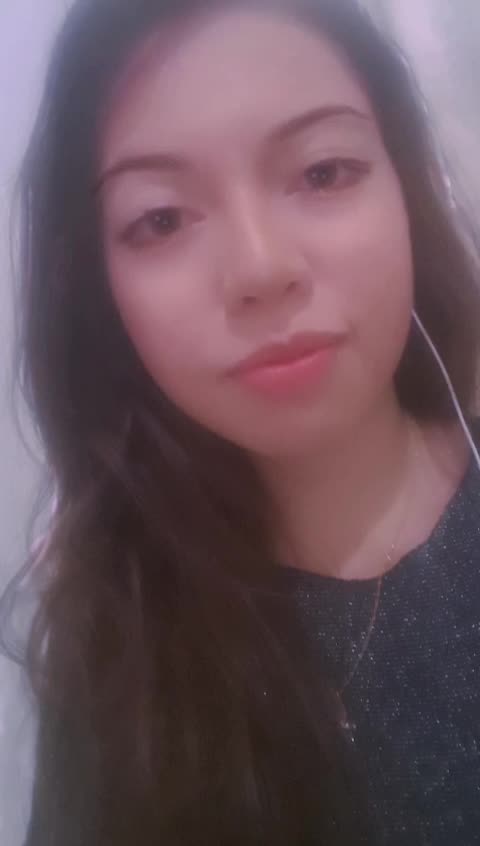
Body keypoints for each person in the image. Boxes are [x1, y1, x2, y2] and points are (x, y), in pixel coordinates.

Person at [6, 0, 480, 842]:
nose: (261, 268)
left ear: (406, 188)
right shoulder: (116, 653)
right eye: (161, 219)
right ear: (101, 295)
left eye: (324, 172)